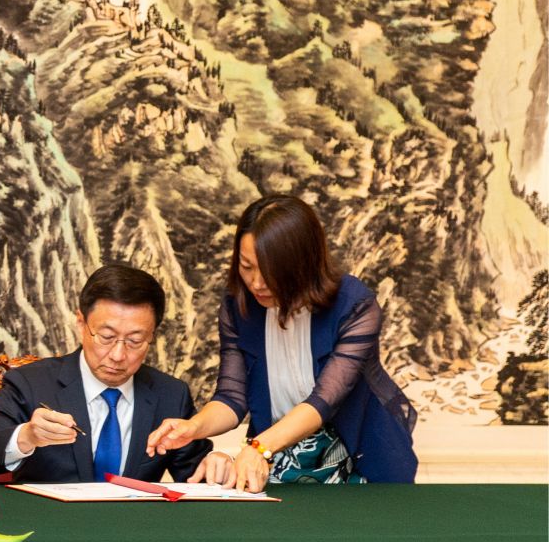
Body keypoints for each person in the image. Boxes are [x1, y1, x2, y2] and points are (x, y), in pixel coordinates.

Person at [146, 195, 418, 490]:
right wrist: (194, 427)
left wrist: (260, 447)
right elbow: (231, 397)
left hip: (361, 460)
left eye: (271, 272)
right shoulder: (238, 307)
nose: (257, 283)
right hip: (277, 462)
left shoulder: (354, 305)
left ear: (305, 264)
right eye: (247, 266)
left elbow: (324, 401)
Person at [0, 264, 213, 483]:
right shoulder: (31, 384)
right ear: (81, 323)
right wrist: (26, 436)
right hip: (50, 534)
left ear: (152, 336)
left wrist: (217, 466)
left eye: (135, 340)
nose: (118, 355)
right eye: (107, 337)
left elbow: (198, 475)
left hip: (135, 536)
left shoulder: (170, 394)